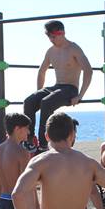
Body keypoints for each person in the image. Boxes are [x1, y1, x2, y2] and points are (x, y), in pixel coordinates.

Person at [23, 21, 93, 150]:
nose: (51, 40)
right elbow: (41, 71)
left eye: (53, 37)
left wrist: (80, 95)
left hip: (70, 88)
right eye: (49, 37)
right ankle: (30, 139)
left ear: (62, 33)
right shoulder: (51, 51)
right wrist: (38, 92)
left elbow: (88, 71)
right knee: (29, 101)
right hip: (56, 87)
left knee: (46, 103)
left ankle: (43, 144)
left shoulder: (74, 49)